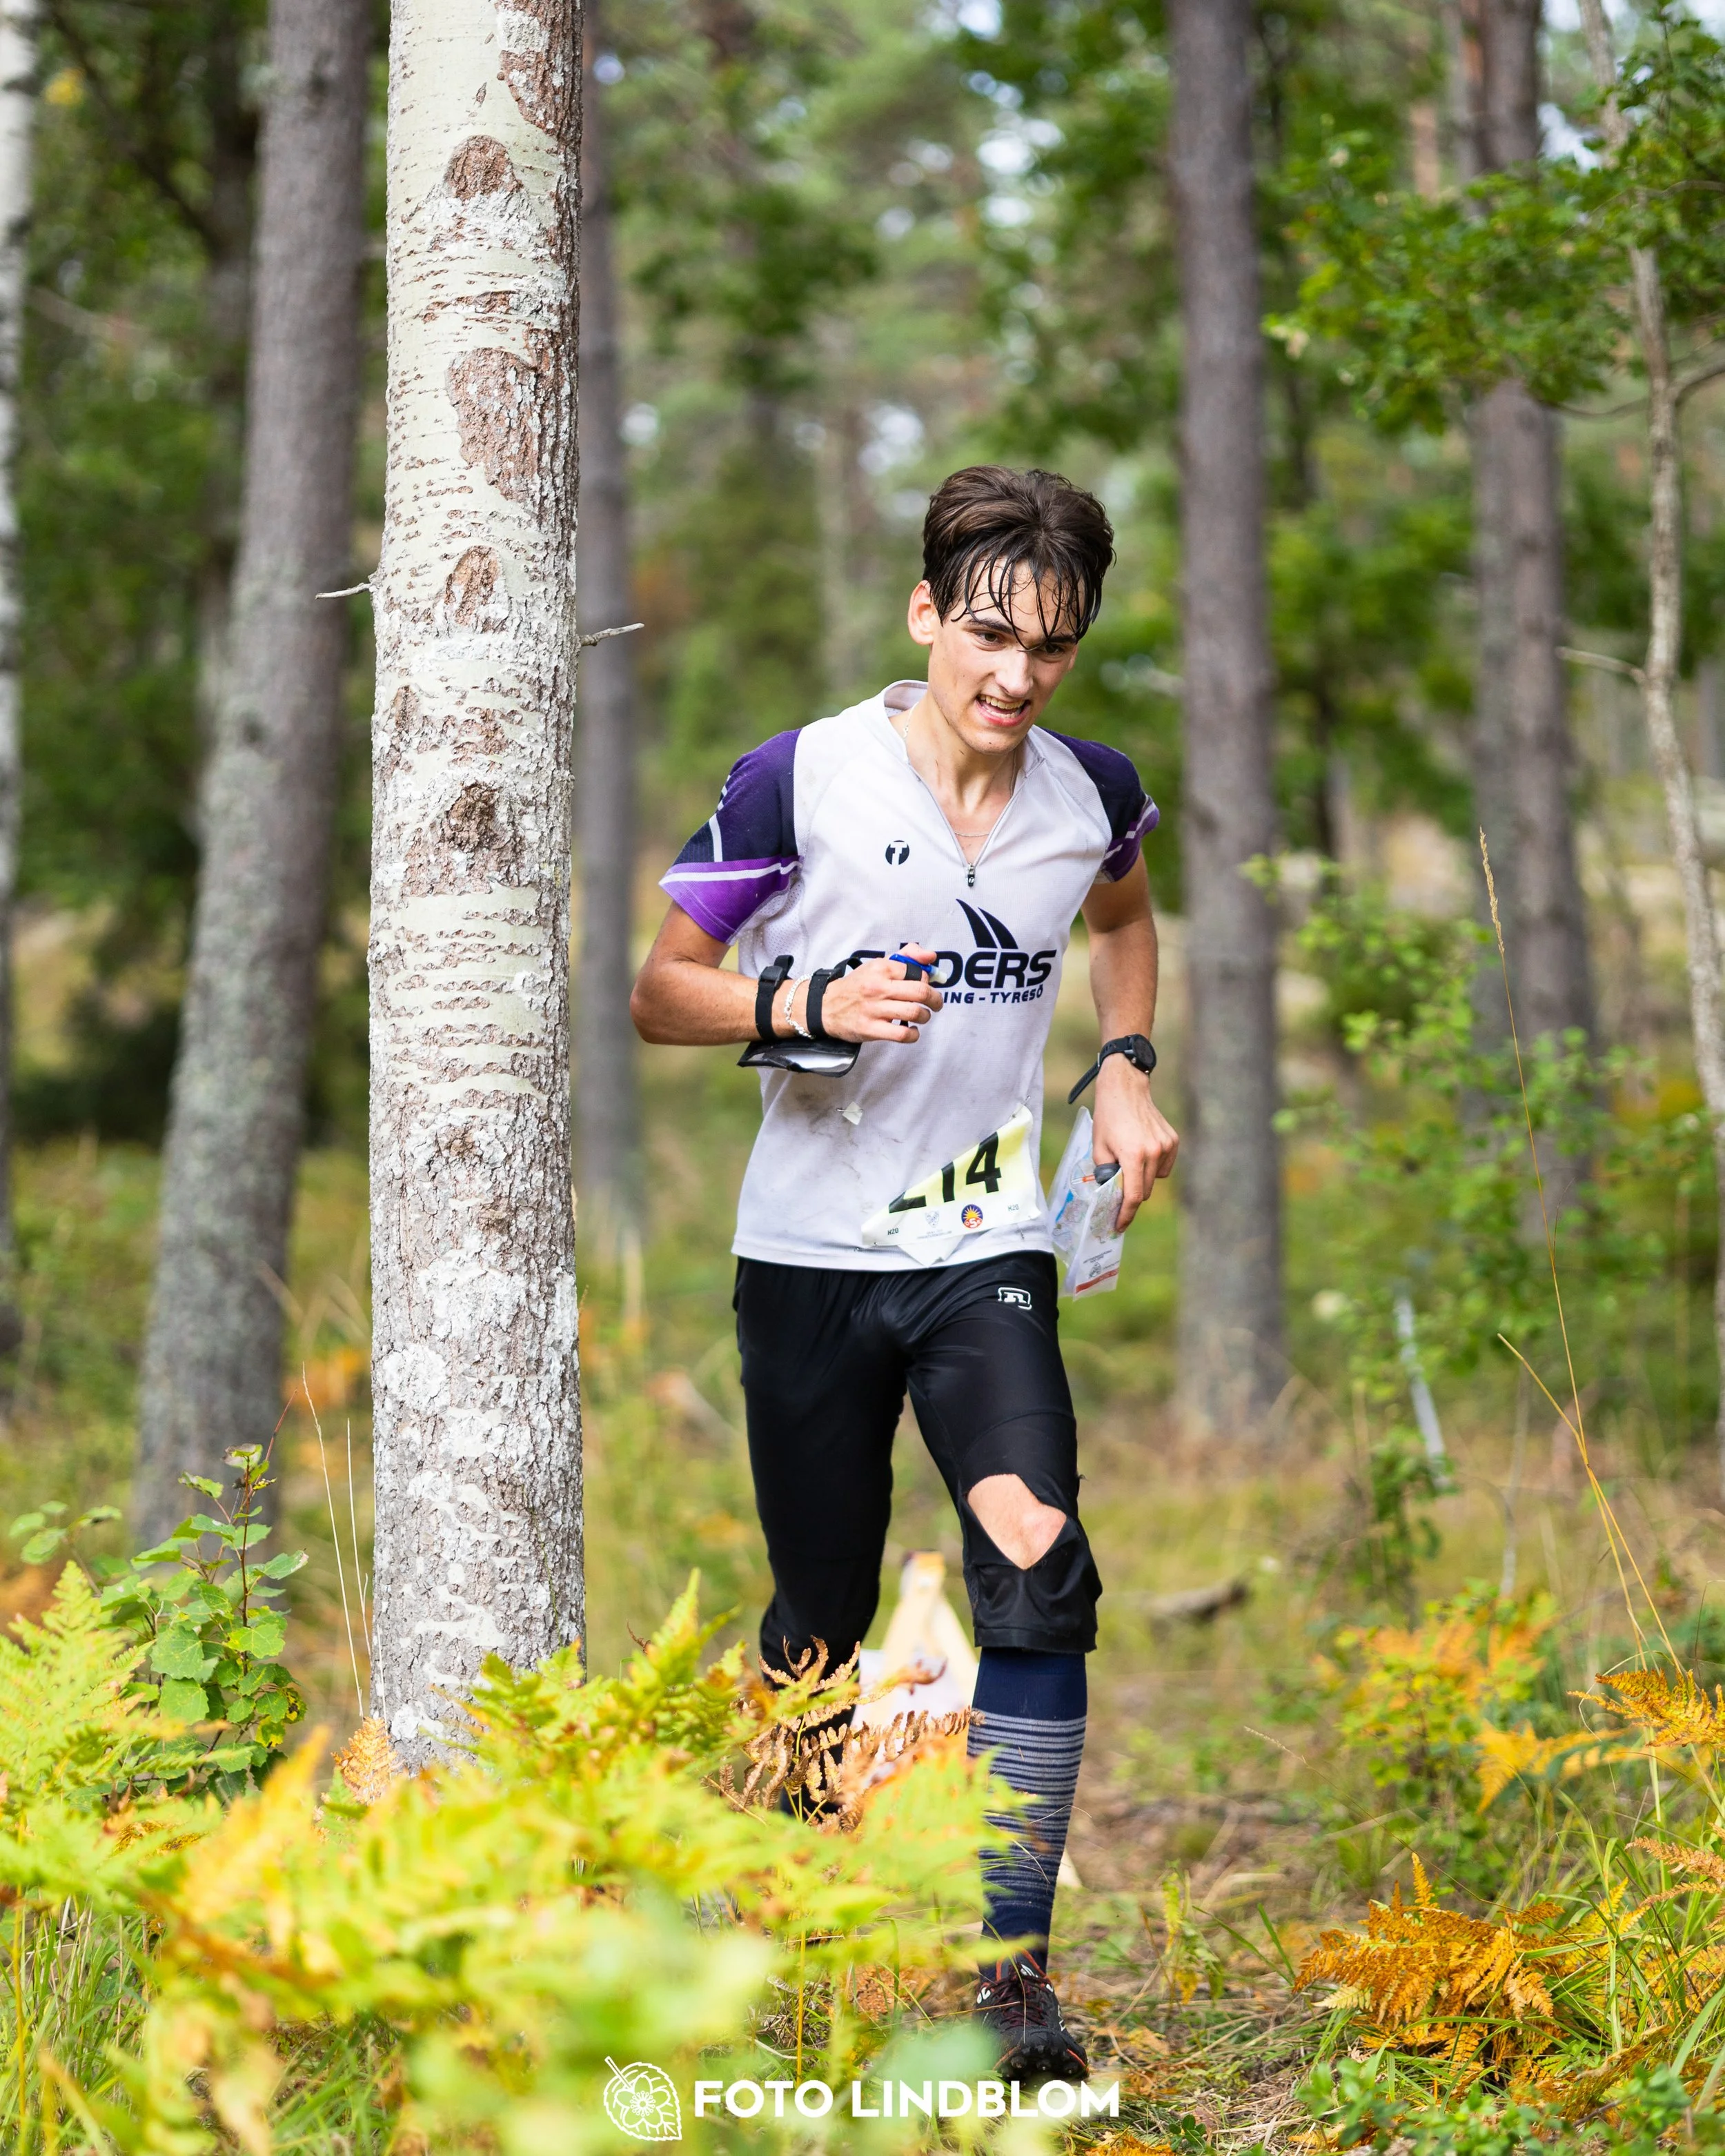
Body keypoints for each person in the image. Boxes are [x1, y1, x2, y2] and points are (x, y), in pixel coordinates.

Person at [631, 464, 1179, 2080]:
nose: (1016, 677)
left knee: (1039, 1564)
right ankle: (789, 1926)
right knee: (819, 1614)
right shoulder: (795, 778)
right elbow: (663, 988)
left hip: (980, 1244)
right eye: (990, 636)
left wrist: (1126, 1059)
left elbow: (1125, 915)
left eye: (1053, 648)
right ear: (926, 615)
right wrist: (798, 1009)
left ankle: (1004, 1974)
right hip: (804, 1257)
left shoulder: (1093, 791)